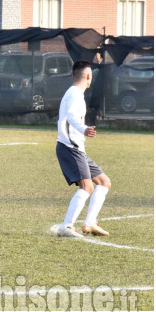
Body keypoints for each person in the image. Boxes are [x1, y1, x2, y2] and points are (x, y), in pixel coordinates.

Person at [56, 61, 112, 238]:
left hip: (77, 148)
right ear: (88, 76)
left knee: (104, 182)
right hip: (70, 147)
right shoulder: (75, 94)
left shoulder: (74, 93)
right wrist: (84, 129)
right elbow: (72, 116)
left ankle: (89, 223)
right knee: (87, 187)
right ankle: (66, 226)